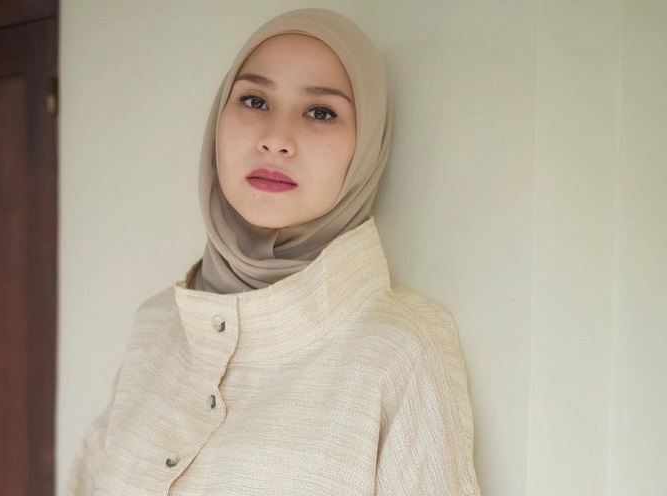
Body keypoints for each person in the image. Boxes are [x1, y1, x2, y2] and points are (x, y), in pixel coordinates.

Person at [69, 8, 480, 495]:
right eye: (254, 100)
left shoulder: (400, 350)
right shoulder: (156, 326)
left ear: (367, 144)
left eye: (320, 112)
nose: (276, 140)